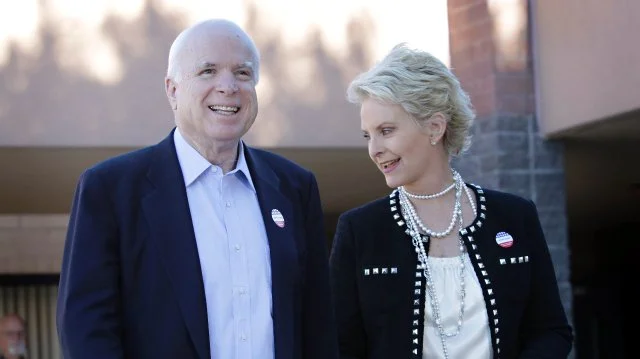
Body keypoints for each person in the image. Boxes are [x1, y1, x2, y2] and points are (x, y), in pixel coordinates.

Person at [57, 19, 338, 359]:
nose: (228, 86)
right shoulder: (110, 190)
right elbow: (87, 330)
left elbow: (318, 324)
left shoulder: (295, 188)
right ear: (172, 89)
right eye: (207, 71)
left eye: (243, 73)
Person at [329, 43, 573, 359]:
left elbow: (551, 331)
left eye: (386, 131)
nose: (374, 149)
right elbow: (340, 346)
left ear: (435, 127)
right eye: (368, 135)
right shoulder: (360, 230)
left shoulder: (514, 216)